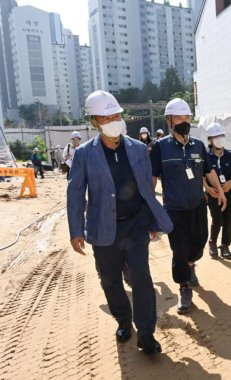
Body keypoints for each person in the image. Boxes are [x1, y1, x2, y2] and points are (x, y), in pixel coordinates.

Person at [67, 90, 173, 355]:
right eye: (107, 117)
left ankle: (147, 333)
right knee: (110, 279)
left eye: (116, 115)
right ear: (95, 121)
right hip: (103, 227)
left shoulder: (138, 149)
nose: (114, 120)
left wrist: (151, 222)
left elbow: (147, 189)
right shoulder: (83, 154)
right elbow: (76, 193)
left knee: (142, 278)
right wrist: (76, 230)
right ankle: (124, 320)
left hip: (135, 223)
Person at [150, 98, 227, 315]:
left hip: (198, 207)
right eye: (180, 118)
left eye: (187, 117)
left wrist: (220, 191)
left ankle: (191, 264)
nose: (184, 121)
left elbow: (208, 171)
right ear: (169, 121)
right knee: (179, 250)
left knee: (200, 242)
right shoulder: (160, 147)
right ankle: (184, 288)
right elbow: (153, 178)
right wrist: (149, 206)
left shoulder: (198, 146)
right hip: (174, 210)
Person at [203, 122, 231, 260]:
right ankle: (212, 242)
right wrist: (207, 187)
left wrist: (230, 183)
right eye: (215, 136)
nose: (219, 139)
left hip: (229, 192)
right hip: (213, 194)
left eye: (221, 136)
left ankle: (225, 246)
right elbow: (201, 174)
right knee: (217, 220)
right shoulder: (206, 155)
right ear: (210, 139)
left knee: (228, 221)